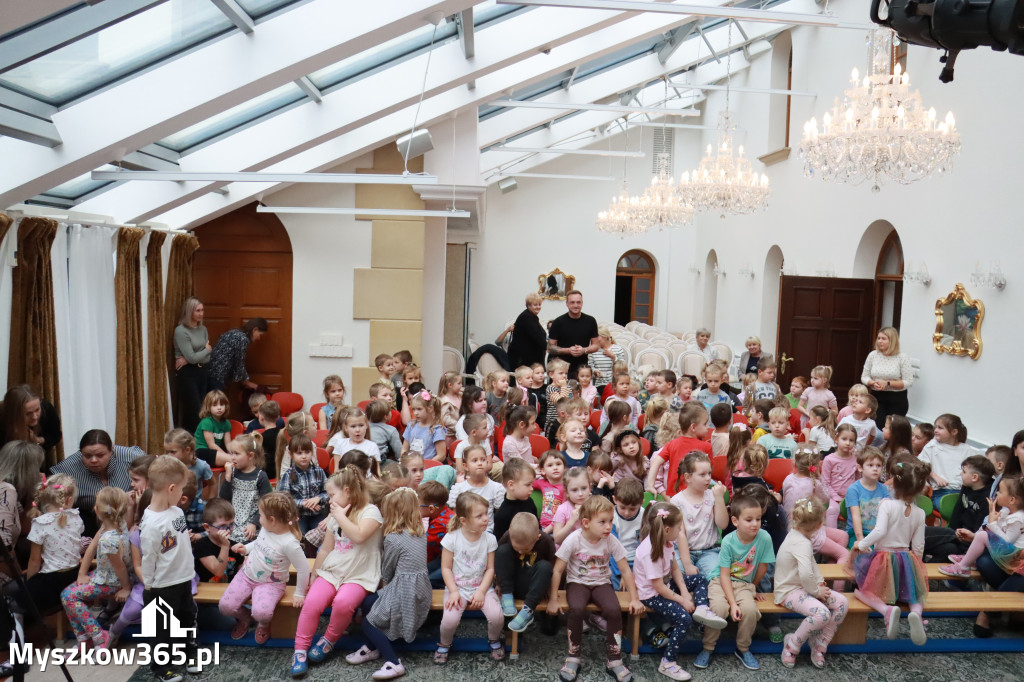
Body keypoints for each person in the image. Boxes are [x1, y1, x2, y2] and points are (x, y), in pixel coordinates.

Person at [292, 467, 383, 676]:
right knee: (312, 603)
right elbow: (326, 548)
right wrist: (315, 574)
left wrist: (340, 516)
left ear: (348, 491)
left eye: (332, 495)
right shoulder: (336, 513)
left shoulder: (371, 512)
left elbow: (359, 536)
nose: (329, 499)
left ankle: (329, 640)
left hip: (360, 573)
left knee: (343, 603)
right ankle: (299, 651)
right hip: (333, 570)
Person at [548, 495, 643, 682]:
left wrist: (634, 598)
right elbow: (557, 570)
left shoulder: (610, 540)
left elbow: (624, 569)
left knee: (614, 610)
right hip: (577, 583)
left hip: (601, 583)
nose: (608, 526)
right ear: (586, 523)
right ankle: (574, 656)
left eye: (610, 521)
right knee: (576, 609)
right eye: (602, 522)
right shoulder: (573, 540)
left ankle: (614, 659)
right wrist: (553, 598)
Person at [347, 488, 432, 681]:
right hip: (420, 588)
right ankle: (371, 648)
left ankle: (393, 662)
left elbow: (387, 572)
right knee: (368, 603)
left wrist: (381, 583)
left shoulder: (393, 538)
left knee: (369, 623)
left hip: (404, 591)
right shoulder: (420, 532)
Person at [633, 502, 725, 681]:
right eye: (679, 527)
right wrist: (683, 601)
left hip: (664, 588)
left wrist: (684, 592)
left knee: (699, 579)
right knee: (684, 618)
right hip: (651, 595)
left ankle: (702, 608)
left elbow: (675, 569)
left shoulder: (666, 542)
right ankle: (668, 662)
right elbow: (658, 587)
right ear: (667, 529)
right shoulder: (650, 551)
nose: (681, 531)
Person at [849, 457, 931, 645]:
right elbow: (918, 545)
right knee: (915, 593)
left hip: (883, 557)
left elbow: (880, 531)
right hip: (906, 557)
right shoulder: (919, 513)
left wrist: (862, 544)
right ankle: (916, 613)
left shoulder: (886, 504)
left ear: (894, 484)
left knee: (861, 591)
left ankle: (886, 610)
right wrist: (915, 565)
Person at [696, 493, 775, 671]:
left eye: (758, 519)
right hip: (720, 581)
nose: (755, 523)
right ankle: (708, 647)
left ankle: (743, 648)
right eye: (749, 519)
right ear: (735, 521)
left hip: (744, 584)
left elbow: (762, 567)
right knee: (719, 609)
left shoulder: (765, 538)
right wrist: (732, 604)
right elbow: (724, 575)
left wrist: (752, 587)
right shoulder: (728, 541)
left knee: (749, 610)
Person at [220, 493, 310, 644]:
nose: (258, 519)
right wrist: (246, 549)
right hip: (246, 575)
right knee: (225, 607)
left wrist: (300, 593)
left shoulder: (289, 543)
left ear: (272, 520)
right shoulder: (266, 529)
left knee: (262, 613)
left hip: (271, 584)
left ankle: (263, 624)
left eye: (260, 515)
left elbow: (303, 569)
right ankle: (245, 618)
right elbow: (259, 543)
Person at [140, 456, 199, 680]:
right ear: (171, 488)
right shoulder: (151, 524)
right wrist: (148, 586)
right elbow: (149, 558)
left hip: (184, 579)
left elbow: (177, 543)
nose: (183, 494)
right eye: (181, 489)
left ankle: (191, 653)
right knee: (161, 630)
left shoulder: (177, 512)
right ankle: (162, 668)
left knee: (188, 618)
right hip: (161, 586)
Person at [775, 497, 849, 669]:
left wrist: (820, 583)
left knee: (842, 603)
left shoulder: (800, 536)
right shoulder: (801, 543)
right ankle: (792, 644)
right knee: (822, 614)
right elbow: (806, 574)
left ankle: (820, 643)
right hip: (788, 591)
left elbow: (811, 566)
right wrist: (817, 591)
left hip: (804, 587)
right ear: (818, 526)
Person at [436, 492, 504, 665]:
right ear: (464, 520)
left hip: (482, 587)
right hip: (457, 588)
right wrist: (453, 592)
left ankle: (494, 640)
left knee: (497, 616)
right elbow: (446, 568)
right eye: (479, 516)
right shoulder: (451, 538)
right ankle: (444, 644)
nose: (485, 519)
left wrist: (481, 592)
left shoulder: (489, 538)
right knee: (449, 621)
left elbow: (490, 569)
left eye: (486, 514)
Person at [60, 487, 130, 649]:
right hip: (103, 576)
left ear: (96, 510)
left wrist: (126, 588)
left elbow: (120, 569)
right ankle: (84, 638)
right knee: (66, 594)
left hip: (112, 582)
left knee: (70, 597)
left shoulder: (109, 539)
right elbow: (91, 547)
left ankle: (99, 635)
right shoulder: (116, 524)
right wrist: (81, 573)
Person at [49, 430, 145, 536]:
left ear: (111, 450)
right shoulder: (68, 468)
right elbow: (50, 493)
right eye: (87, 456)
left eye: (100, 455)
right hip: (90, 519)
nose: (94, 460)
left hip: (131, 514)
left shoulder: (132, 457)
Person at [497, 512, 556, 634]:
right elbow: (499, 562)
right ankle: (507, 595)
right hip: (511, 584)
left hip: (534, 588)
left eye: (524, 549)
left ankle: (527, 611)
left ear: (537, 538)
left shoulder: (546, 541)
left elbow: (554, 569)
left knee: (545, 566)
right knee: (502, 551)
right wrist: (499, 584)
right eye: (516, 548)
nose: (519, 551)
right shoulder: (508, 536)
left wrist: (551, 595)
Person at [0, 441, 44, 573]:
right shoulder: (7, 490)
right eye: (37, 468)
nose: (39, 473)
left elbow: (25, 529)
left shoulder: (12, 490)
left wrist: (34, 494)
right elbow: (3, 543)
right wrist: (19, 578)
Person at [861, 326, 914, 429]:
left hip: (897, 398)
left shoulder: (902, 357)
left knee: (893, 429)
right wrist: (872, 383)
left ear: (892, 340)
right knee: (878, 427)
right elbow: (864, 376)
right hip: (877, 397)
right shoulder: (873, 355)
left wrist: (888, 383)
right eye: (879, 338)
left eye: (884, 339)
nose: (880, 341)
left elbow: (908, 381)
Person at [173, 297, 212, 434]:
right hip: (188, 374)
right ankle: (191, 443)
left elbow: (201, 357)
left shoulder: (203, 329)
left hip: (203, 371)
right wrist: (206, 349)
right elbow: (195, 356)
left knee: (204, 409)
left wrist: (192, 357)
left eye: (202, 310)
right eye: (198, 311)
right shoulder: (181, 330)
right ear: (189, 312)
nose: (201, 314)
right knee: (194, 411)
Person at [919, 413, 977, 507]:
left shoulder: (966, 449)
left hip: (962, 493)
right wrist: (935, 476)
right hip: (941, 493)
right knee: (954, 510)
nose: (936, 430)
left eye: (940, 428)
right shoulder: (932, 445)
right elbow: (921, 464)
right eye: (936, 427)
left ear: (954, 432)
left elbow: (976, 469)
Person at [208, 316, 268, 398]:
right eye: (260, 335)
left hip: (210, 371)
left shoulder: (235, 332)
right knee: (214, 404)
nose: (259, 338)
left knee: (209, 403)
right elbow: (239, 364)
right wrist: (249, 384)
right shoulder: (243, 339)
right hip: (217, 376)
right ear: (255, 329)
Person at [546, 290, 599, 380]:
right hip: (561, 369)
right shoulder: (558, 322)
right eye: (572, 302)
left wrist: (584, 350)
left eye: (578, 302)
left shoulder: (590, 321)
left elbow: (596, 345)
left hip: (582, 370)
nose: (575, 305)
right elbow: (550, 348)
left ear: (582, 303)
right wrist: (568, 350)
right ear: (567, 304)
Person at [0, 384, 62, 457]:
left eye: (37, 410)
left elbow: (56, 436)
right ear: (14, 413)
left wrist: (38, 440)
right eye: (28, 413)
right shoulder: (2, 418)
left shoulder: (46, 409)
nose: (35, 417)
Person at [507, 292, 548, 369]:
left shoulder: (531, 317)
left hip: (528, 358)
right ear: (528, 305)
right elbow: (538, 338)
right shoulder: (526, 318)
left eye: (539, 304)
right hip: (523, 360)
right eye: (535, 305)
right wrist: (551, 348)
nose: (538, 307)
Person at [588, 325, 626, 394]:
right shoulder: (593, 351)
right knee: (610, 392)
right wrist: (595, 371)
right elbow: (590, 366)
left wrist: (613, 357)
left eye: (597, 337)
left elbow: (623, 367)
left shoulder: (617, 349)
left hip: (616, 382)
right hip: (601, 384)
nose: (595, 340)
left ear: (605, 336)